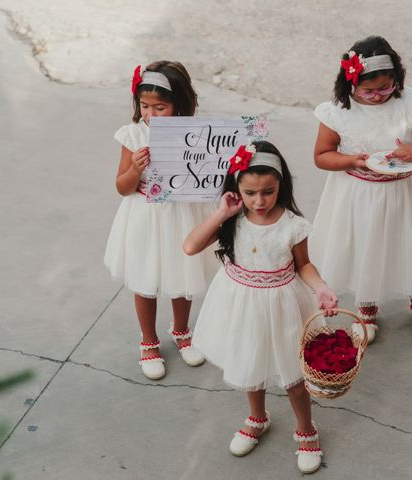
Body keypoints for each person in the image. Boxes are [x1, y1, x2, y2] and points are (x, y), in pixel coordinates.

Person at [183, 141, 338, 474]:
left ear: (281, 184)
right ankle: (257, 417)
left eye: (268, 191)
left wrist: (321, 287)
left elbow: (304, 265)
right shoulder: (233, 218)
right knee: (249, 361)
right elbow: (190, 245)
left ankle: (306, 429)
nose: (259, 201)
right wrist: (223, 212)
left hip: (282, 305)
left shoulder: (293, 225)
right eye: (250, 192)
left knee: (294, 378)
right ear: (236, 187)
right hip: (240, 304)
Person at [310, 35, 412, 344]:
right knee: (368, 247)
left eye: (385, 87)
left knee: (410, 242)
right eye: (368, 90)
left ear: (397, 77)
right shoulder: (337, 111)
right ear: (350, 83)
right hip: (361, 195)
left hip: (407, 193)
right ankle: (367, 309)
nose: (378, 96)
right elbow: (322, 156)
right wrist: (351, 159)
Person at [104, 61, 216, 380]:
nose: (151, 114)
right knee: (145, 279)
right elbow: (121, 187)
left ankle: (181, 330)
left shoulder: (193, 135)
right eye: (145, 106)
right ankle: (149, 340)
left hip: (182, 215)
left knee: (183, 273)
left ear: (180, 105)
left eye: (160, 107)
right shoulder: (134, 135)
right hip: (145, 217)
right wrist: (135, 170)